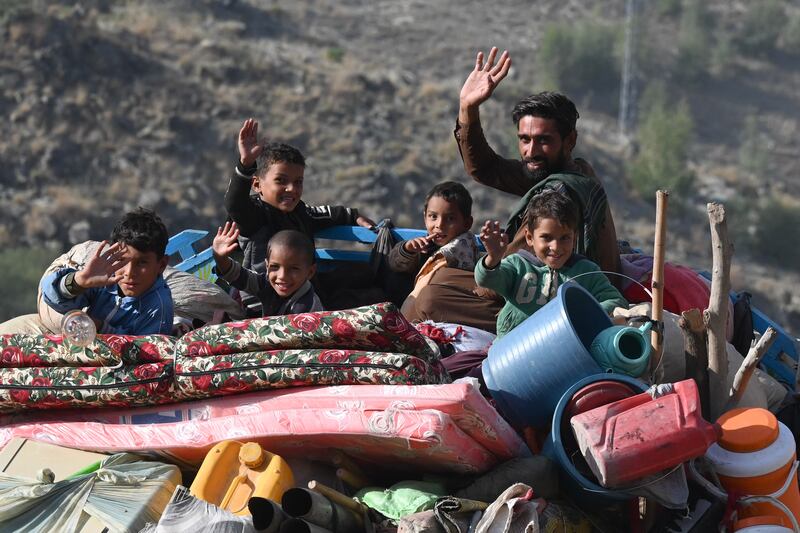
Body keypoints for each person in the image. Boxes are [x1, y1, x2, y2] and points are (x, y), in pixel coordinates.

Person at [454, 47, 621, 280]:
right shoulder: (560, 172)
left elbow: (503, 277)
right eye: (524, 139)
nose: (531, 151)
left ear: (570, 140)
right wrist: (467, 109)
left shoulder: (558, 192)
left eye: (544, 141)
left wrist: (488, 263)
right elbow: (485, 168)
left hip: (558, 299)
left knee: (435, 288)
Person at [224, 119, 374, 314]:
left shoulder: (300, 212)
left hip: (305, 292)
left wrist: (353, 216)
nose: (291, 189)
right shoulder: (254, 214)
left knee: (366, 282)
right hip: (267, 303)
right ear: (257, 185)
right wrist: (245, 165)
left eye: (298, 182)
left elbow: (325, 214)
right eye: (281, 180)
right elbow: (234, 204)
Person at [475, 190, 627, 338]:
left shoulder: (586, 271)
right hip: (513, 349)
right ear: (529, 237)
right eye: (546, 238)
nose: (556, 247)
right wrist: (493, 259)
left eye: (565, 238)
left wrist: (582, 314)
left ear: (575, 237)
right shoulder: (517, 265)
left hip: (563, 349)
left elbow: (616, 301)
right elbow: (486, 279)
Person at [0, 208, 174, 336]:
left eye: (141, 263)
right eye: (122, 261)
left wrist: (101, 328)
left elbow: (146, 353)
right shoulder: (104, 277)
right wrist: (79, 281)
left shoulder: (158, 306)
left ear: (161, 264)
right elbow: (53, 298)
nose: (129, 272)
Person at [387, 181, 480, 319]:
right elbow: (395, 264)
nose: (439, 225)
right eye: (433, 216)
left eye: (450, 219)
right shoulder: (422, 246)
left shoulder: (464, 252)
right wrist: (408, 249)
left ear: (467, 223)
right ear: (425, 217)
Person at [212, 222, 322, 316]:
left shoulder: (308, 307)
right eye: (275, 267)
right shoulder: (266, 283)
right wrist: (220, 258)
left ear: (310, 272)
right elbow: (239, 276)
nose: (282, 276)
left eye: (294, 269)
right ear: (267, 266)